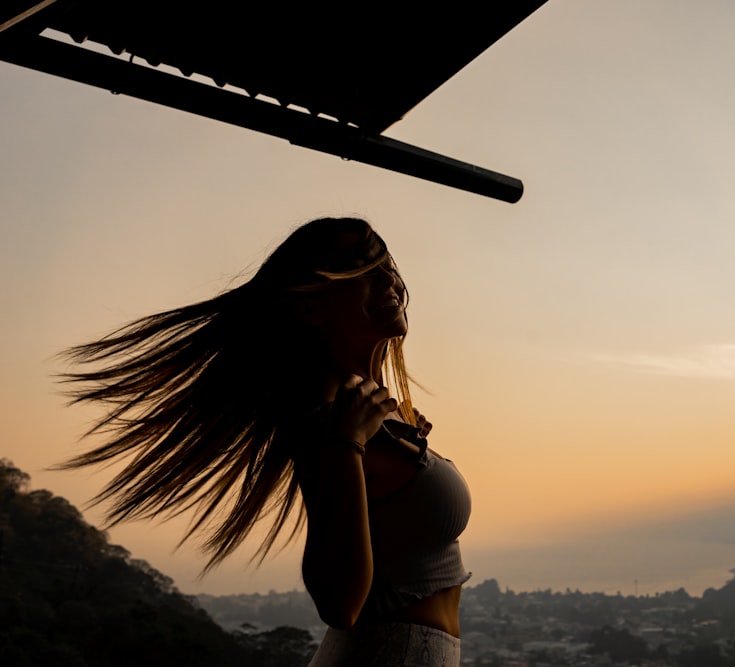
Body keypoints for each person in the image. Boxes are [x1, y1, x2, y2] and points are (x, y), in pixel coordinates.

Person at [59, 217, 472, 666]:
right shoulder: (331, 426)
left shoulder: (370, 413)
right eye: (361, 267)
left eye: (386, 264)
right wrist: (346, 444)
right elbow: (339, 603)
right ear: (309, 307)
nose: (389, 278)